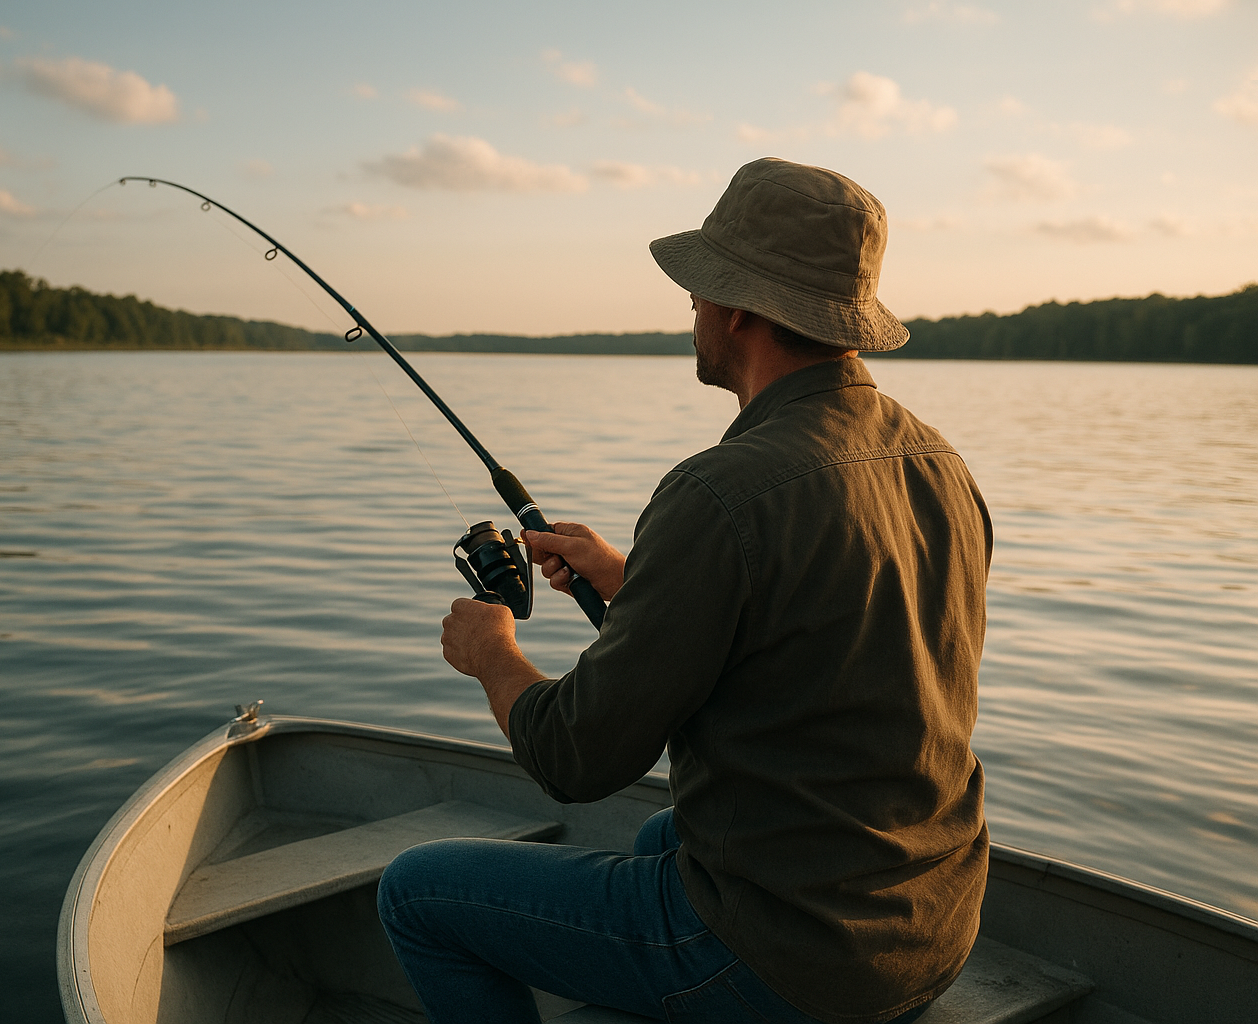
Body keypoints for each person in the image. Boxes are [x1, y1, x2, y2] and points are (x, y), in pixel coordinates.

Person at [377, 157, 991, 1024]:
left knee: (416, 894)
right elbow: (828, 645)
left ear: (738, 306)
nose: (692, 308)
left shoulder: (720, 490)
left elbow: (574, 758)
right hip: (931, 926)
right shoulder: (938, 461)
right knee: (657, 838)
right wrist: (637, 583)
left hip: (800, 964)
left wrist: (492, 657)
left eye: (700, 288)